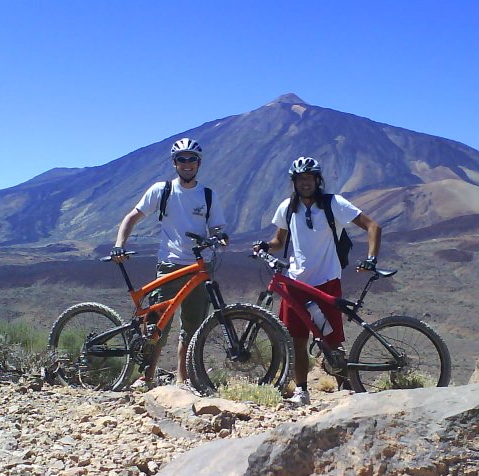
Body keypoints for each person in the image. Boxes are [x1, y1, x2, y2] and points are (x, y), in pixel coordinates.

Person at [253, 157, 381, 405]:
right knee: (296, 341)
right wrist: (266, 245)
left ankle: (348, 390)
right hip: (295, 284)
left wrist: (371, 259)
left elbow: (372, 226)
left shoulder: (334, 204)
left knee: (332, 342)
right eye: (300, 179)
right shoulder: (288, 207)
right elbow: (279, 241)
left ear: (317, 180)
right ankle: (302, 391)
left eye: (309, 178)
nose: (305, 183)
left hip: (326, 282)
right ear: (294, 182)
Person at [110, 138, 227, 387]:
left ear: (199, 163)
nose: (187, 164)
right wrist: (120, 244)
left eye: (192, 159)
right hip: (170, 266)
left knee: (192, 327)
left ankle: (182, 380)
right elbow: (133, 216)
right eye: (182, 159)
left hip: (200, 267)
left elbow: (217, 226)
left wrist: (220, 237)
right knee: (156, 325)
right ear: (174, 163)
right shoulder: (162, 191)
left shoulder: (207, 195)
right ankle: (146, 376)